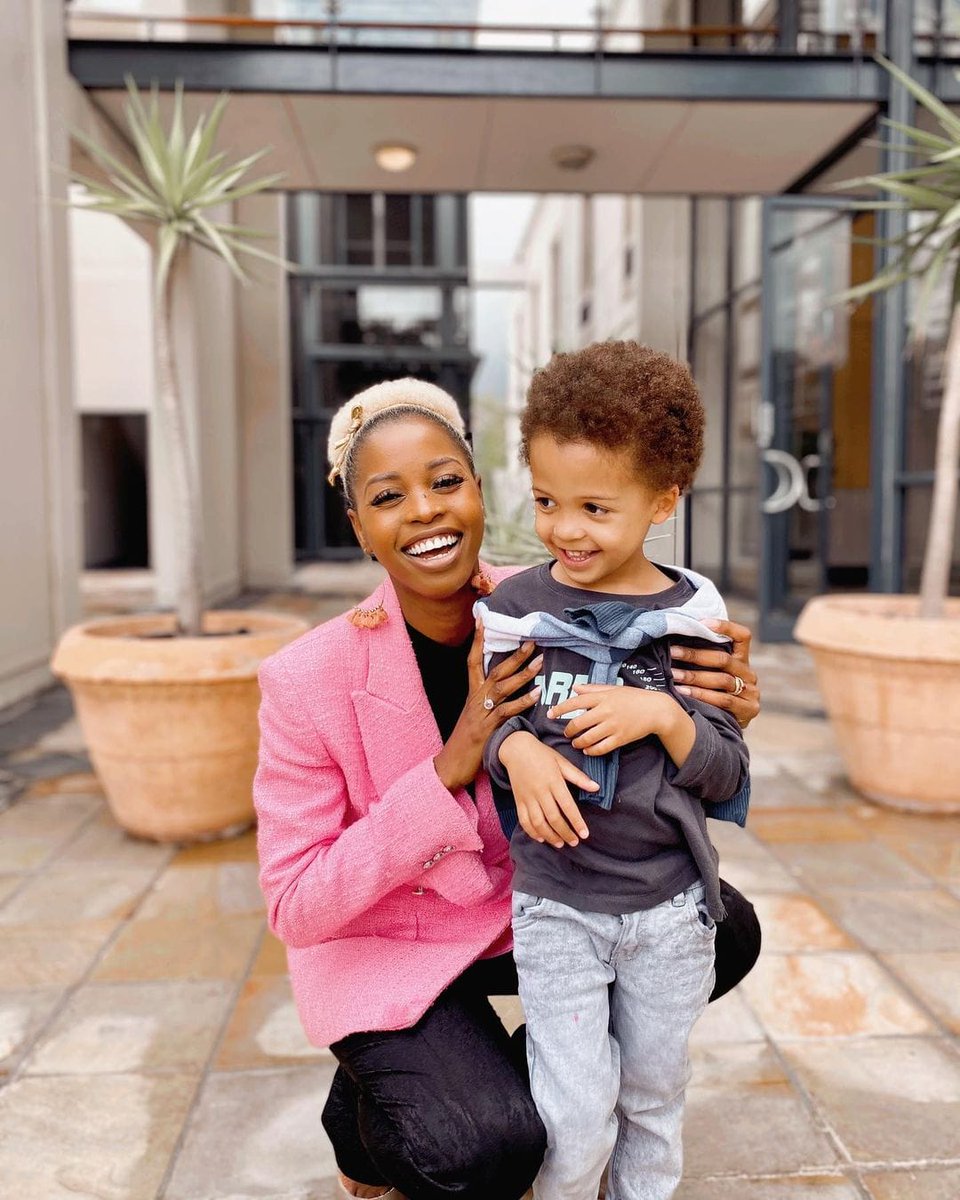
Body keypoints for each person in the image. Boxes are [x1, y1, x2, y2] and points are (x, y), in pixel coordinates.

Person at [253, 377, 762, 1200]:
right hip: (396, 940)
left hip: (524, 912)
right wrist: (448, 770)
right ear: (360, 527)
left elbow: (686, 709)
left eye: (445, 481)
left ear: (481, 493)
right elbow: (294, 903)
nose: (424, 510)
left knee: (718, 926)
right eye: (388, 497)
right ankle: (371, 1110)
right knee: (481, 1146)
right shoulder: (307, 680)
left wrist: (717, 701)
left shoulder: (553, 599)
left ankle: (456, 1071)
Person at [476, 341, 746, 1200]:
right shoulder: (519, 611)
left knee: (654, 1096)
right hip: (556, 900)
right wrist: (513, 747)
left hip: (668, 909)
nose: (564, 529)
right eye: (548, 500)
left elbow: (724, 767)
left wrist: (663, 715)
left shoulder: (693, 620)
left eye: (596, 506)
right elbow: (485, 724)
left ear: (664, 500)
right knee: (573, 1108)